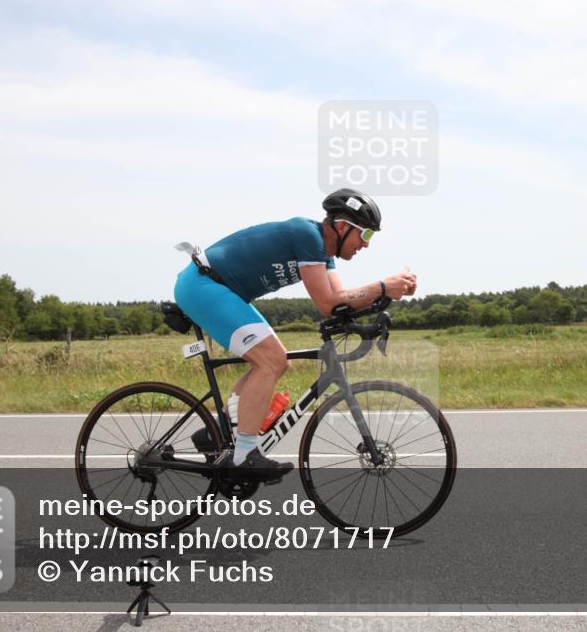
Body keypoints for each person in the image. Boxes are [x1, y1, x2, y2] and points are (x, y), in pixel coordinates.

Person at [174, 188, 417, 480]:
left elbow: (338, 300)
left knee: (278, 361)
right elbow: (328, 302)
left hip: (221, 290)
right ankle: (244, 456)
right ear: (342, 226)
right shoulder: (307, 235)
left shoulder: (324, 256)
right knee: (271, 360)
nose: (365, 245)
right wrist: (381, 286)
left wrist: (382, 301)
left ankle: (216, 433)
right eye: (365, 235)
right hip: (203, 286)